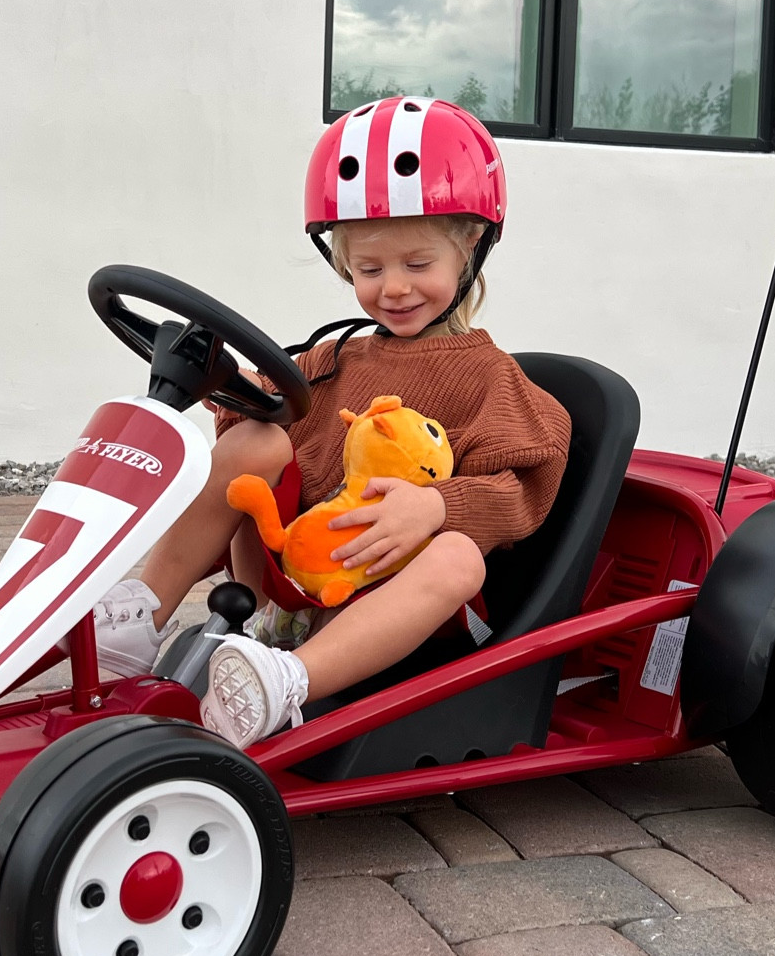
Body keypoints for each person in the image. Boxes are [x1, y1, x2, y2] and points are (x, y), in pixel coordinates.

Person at [88, 96, 572, 746]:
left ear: (472, 245)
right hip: (296, 581)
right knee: (257, 440)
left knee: (459, 557)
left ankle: (284, 683)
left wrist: (436, 507)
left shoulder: (491, 378)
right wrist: (223, 386)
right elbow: (264, 404)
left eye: (417, 264)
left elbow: (523, 489)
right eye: (369, 269)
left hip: (397, 599)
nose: (393, 288)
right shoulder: (335, 357)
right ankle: (139, 618)